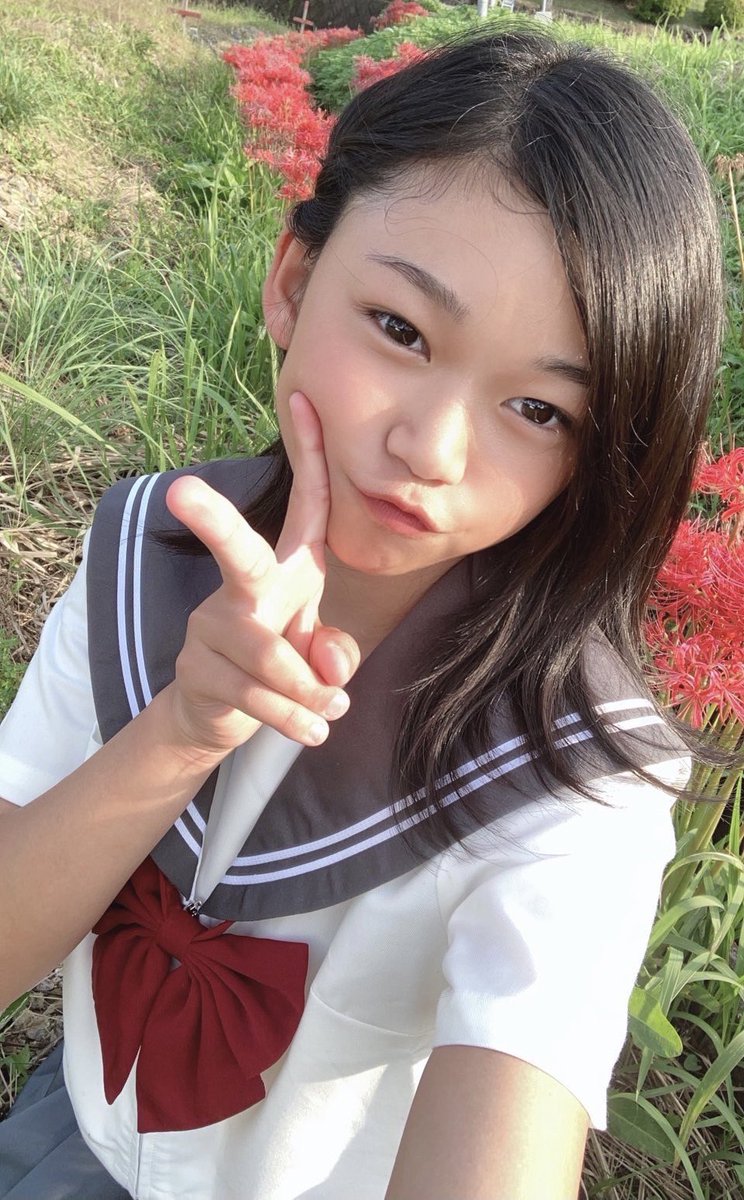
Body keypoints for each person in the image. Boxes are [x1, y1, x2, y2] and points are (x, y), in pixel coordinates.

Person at [0, 27, 724, 1200]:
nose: (431, 447)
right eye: (401, 330)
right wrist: (181, 728)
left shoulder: (575, 776)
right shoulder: (148, 549)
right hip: (79, 1122)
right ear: (293, 282)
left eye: (539, 410)